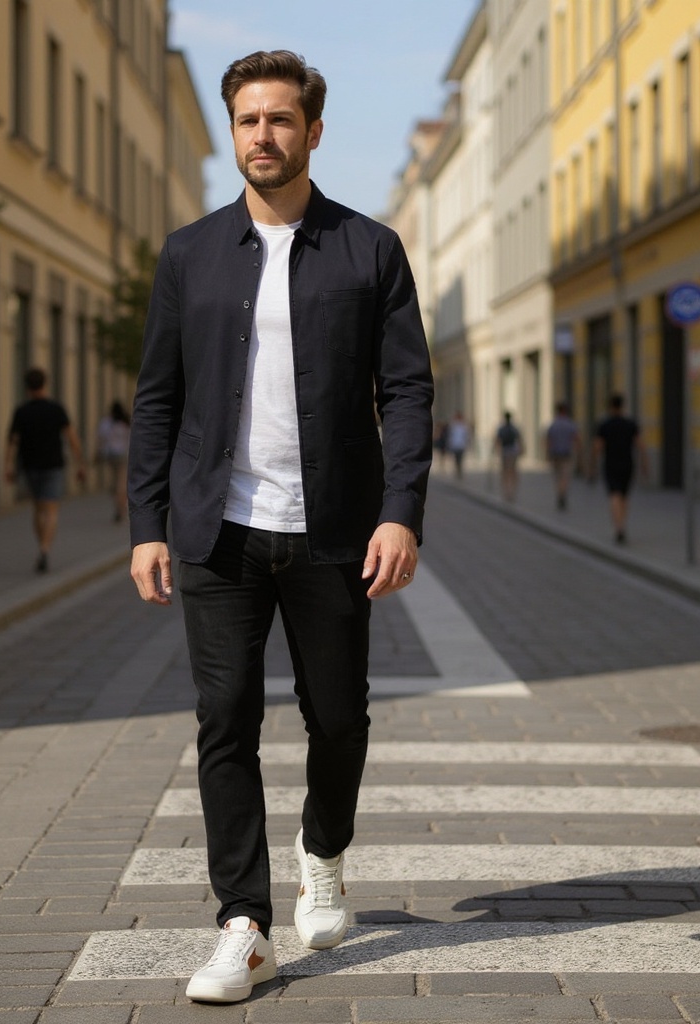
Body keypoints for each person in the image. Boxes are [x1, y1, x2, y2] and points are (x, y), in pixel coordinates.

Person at [127, 50, 434, 1004]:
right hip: (218, 530)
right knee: (225, 719)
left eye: (281, 120)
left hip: (334, 528)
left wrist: (401, 512)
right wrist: (146, 521)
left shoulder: (369, 248)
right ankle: (244, 922)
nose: (264, 136)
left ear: (313, 130)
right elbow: (158, 397)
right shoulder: (188, 253)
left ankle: (325, 846)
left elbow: (410, 389)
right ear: (234, 132)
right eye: (248, 120)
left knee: (339, 717)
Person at [4, 367, 86, 573]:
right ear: (45, 384)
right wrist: (80, 463)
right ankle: (45, 549)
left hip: (30, 466)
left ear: (27, 387)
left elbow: (12, 441)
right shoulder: (56, 409)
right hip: (53, 465)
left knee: (38, 509)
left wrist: (8, 465)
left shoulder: (21, 411)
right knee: (51, 511)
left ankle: (41, 546)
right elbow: (71, 437)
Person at [591, 392, 648, 544]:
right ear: (622, 406)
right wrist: (644, 464)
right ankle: (622, 524)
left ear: (610, 407)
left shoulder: (604, 425)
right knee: (624, 496)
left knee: (614, 496)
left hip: (611, 464)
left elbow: (598, 446)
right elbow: (640, 445)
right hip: (627, 464)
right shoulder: (630, 424)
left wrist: (593, 465)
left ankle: (618, 528)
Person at [96, 400, 131, 522]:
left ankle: (119, 507)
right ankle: (121, 508)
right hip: (123, 455)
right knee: (121, 483)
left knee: (115, 482)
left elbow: (101, 439)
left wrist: (99, 452)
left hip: (111, 455)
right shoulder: (126, 422)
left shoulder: (107, 423)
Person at [545, 401, 580, 510]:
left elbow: (548, 440)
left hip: (555, 454)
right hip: (566, 454)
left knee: (557, 476)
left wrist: (547, 453)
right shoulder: (570, 424)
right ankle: (563, 493)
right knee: (565, 476)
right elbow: (576, 439)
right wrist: (578, 453)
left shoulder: (553, 425)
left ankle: (559, 493)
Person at [492, 411, 522, 501]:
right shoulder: (514, 428)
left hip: (505, 451)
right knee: (512, 471)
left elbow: (497, 441)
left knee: (505, 472)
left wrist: (497, 451)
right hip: (512, 451)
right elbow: (519, 440)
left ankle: (507, 491)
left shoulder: (502, 429)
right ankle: (511, 491)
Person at [446, 411, 470, 478]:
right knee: (456, 459)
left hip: (461, 445)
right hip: (455, 445)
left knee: (460, 458)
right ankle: (457, 470)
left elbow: (466, 436)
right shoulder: (453, 426)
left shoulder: (464, 426)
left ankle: (459, 470)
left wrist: (467, 443)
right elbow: (451, 436)